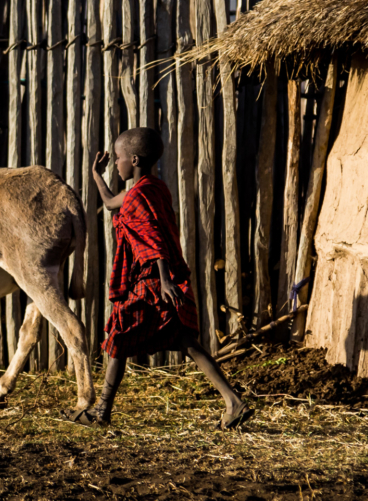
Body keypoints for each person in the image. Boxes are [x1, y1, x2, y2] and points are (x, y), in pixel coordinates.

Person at [70, 127, 254, 429]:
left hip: (153, 279)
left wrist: (165, 279)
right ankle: (233, 402)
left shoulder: (139, 197)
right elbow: (110, 202)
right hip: (161, 276)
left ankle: (102, 412)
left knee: (118, 337)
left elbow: (152, 236)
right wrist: (96, 176)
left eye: (118, 159)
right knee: (183, 340)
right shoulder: (153, 188)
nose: (116, 164)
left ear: (134, 158)